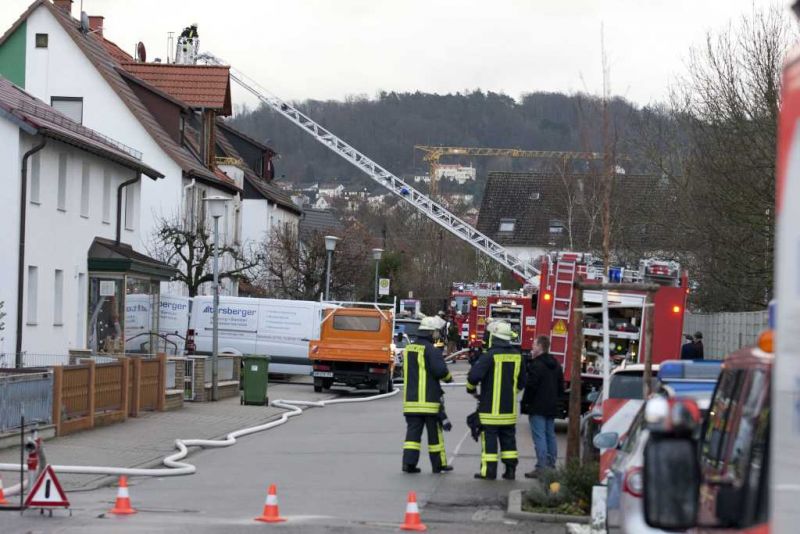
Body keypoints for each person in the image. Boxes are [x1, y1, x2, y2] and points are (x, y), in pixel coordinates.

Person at [466, 321, 525, 480]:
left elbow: (473, 376)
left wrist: (471, 390)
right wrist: (511, 393)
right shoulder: (517, 356)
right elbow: (521, 382)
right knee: (509, 442)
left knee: (490, 442)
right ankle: (510, 471)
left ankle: (489, 472)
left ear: (494, 337)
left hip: (490, 411)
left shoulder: (489, 356)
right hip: (508, 410)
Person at [402, 316, 454, 474]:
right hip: (430, 402)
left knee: (412, 436)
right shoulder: (432, 350)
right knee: (435, 436)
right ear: (431, 333)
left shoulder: (409, 349)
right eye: (435, 332)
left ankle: (408, 464)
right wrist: (448, 379)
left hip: (411, 402)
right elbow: (441, 371)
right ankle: (438, 465)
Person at [521, 336, 564, 478]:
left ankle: (541, 467)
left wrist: (525, 403)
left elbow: (531, 386)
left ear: (540, 346)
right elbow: (560, 386)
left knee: (539, 437)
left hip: (537, 406)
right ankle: (551, 465)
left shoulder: (536, 365)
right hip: (551, 406)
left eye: (534, 344)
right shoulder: (556, 364)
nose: (532, 347)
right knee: (550, 435)